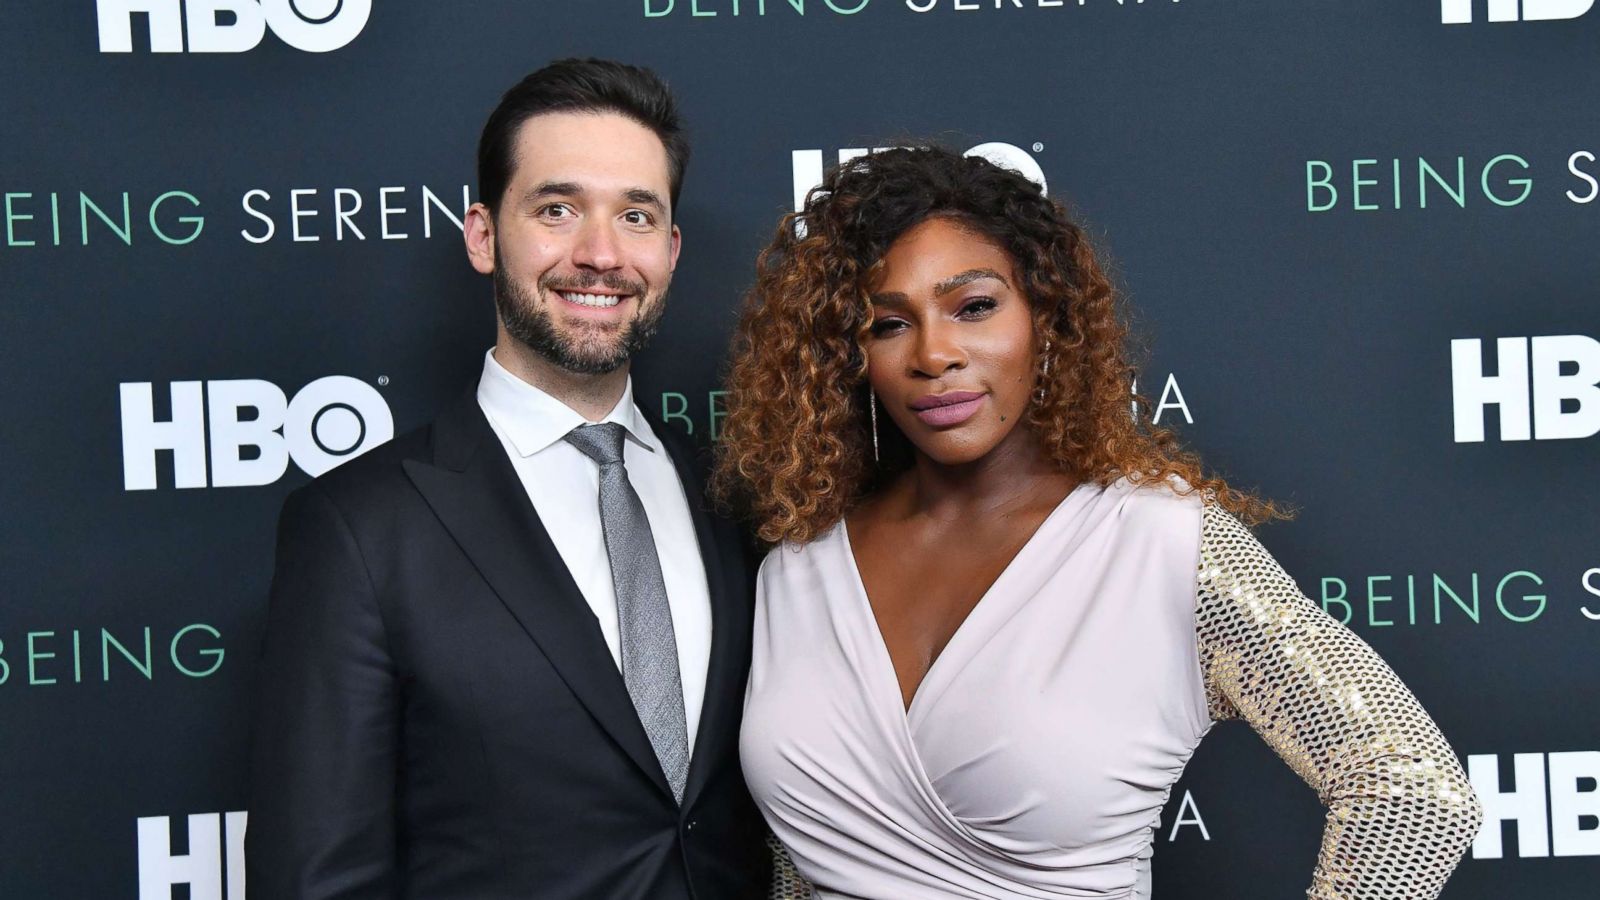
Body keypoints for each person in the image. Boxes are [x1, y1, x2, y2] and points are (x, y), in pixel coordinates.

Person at [714, 146, 1483, 900]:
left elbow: (1413, 791)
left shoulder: (1159, 543)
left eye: (974, 306)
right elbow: (799, 864)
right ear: (850, 356)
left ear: (1046, 317)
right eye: (888, 324)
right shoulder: (800, 564)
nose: (935, 353)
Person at [246, 59, 768, 899]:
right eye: (557, 210)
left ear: (670, 251)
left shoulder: (738, 500)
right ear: (484, 236)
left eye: (636, 216)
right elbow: (317, 878)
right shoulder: (358, 529)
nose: (600, 256)